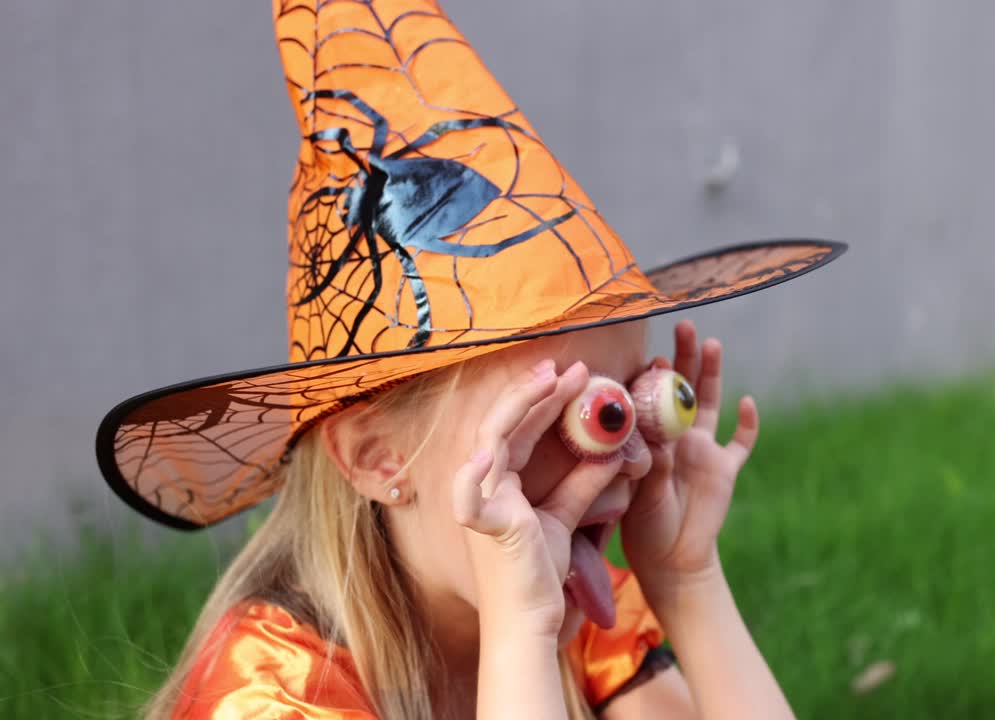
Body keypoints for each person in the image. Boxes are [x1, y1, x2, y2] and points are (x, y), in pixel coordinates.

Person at [94, 1, 843, 717]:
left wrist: (687, 581)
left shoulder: (572, 610)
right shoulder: (269, 693)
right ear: (379, 456)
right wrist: (521, 636)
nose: (629, 462)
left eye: (637, 400)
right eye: (566, 417)